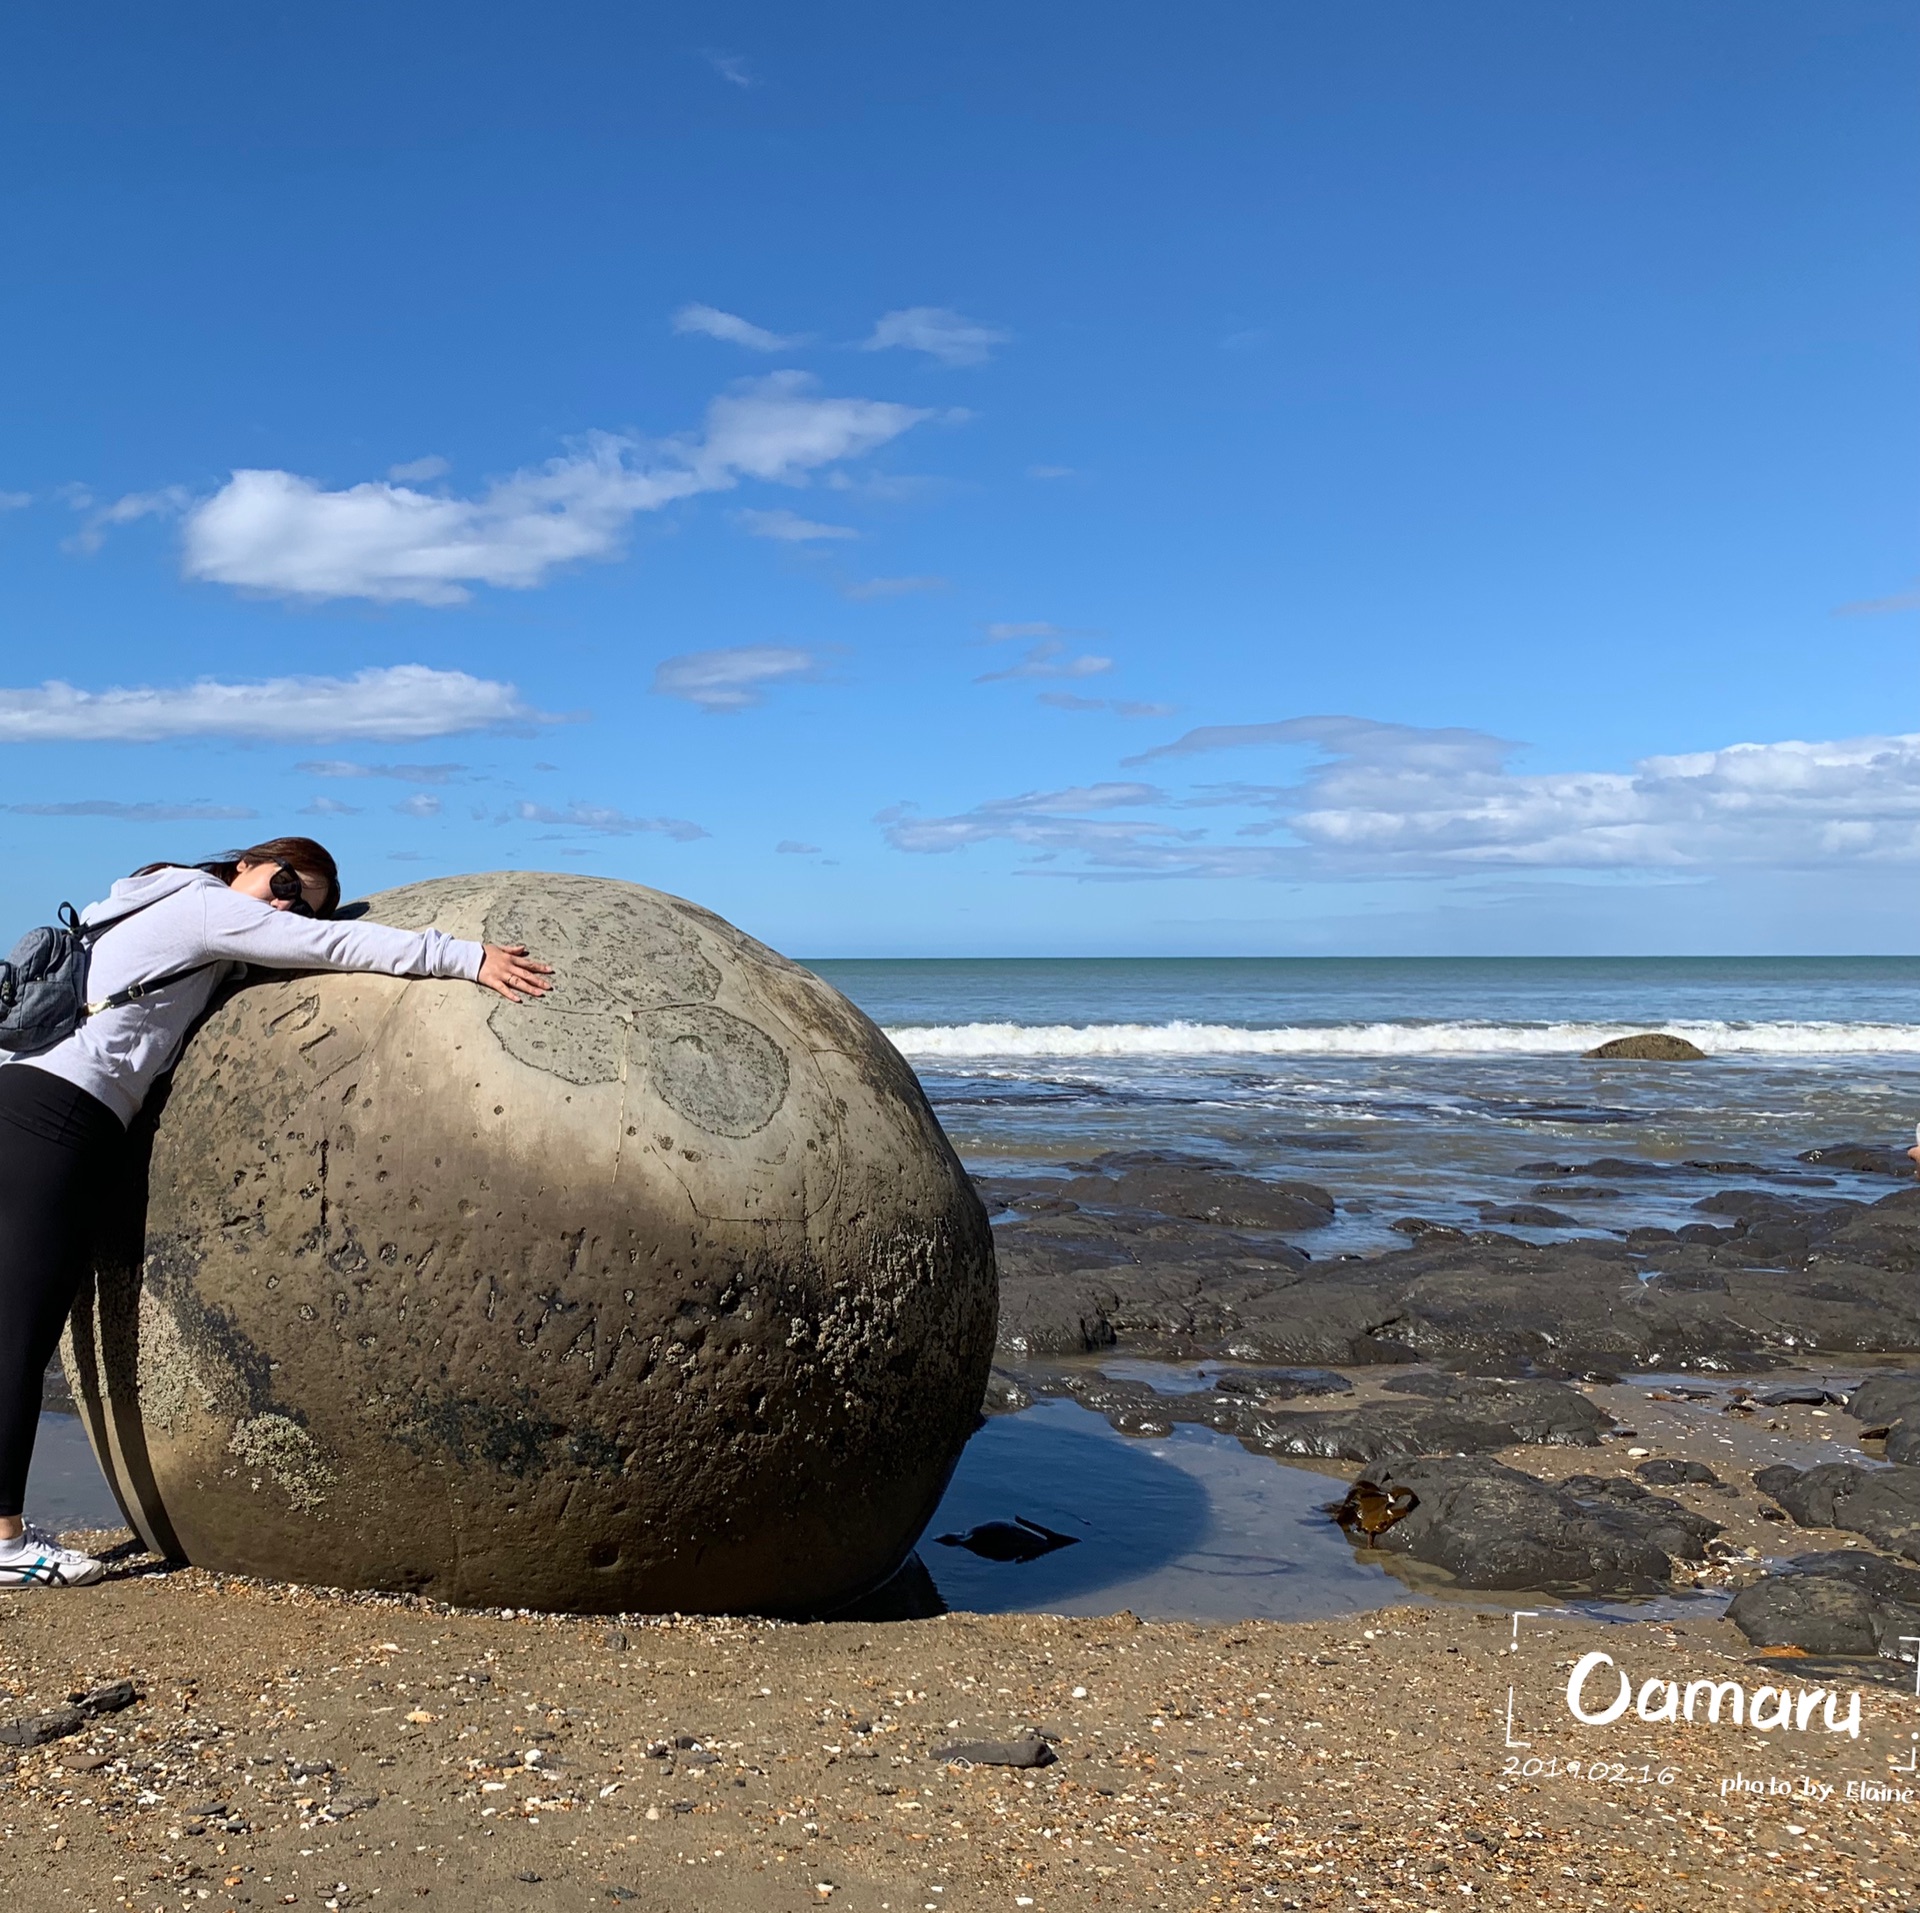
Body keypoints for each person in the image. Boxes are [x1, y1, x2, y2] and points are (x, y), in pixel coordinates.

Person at [0, 836, 553, 1589]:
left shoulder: (144, 900)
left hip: (21, 1095)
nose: (287, 902)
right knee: (20, 1332)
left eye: (302, 896)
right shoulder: (206, 908)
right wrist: (463, 957)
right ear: (244, 864)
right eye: (285, 880)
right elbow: (331, 943)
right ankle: (4, 1538)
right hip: (62, 1119)